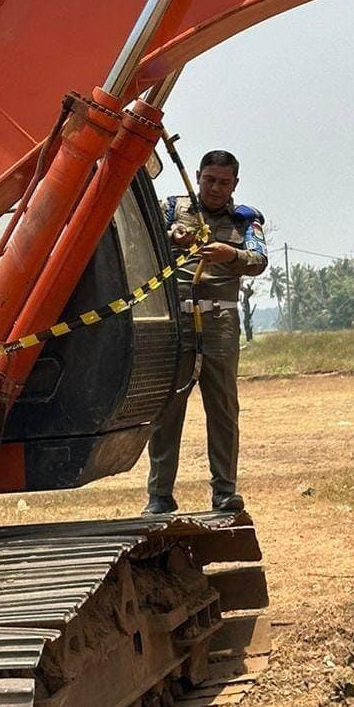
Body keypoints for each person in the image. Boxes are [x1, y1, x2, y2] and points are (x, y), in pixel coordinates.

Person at [143, 150, 268, 514]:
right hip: (177, 322)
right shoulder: (172, 208)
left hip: (220, 324)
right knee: (167, 410)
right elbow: (145, 240)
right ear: (197, 176)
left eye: (224, 182)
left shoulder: (245, 220)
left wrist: (230, 255)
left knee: (223, 409)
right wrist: (173, 236)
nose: (215, 188)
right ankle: (159, 495)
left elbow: (259, 261)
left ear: (235, 184)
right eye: (209, 179)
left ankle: (224, 491)